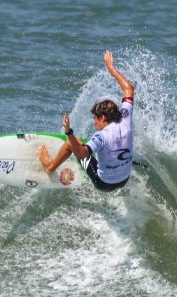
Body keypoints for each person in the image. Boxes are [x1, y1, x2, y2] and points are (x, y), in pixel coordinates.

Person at [38, 50, 135, 192]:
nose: (95, 124)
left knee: (70, 144)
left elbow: (82, 153)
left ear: (102, 118)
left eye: (95, 120)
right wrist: (111, 69)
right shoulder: (125, 117)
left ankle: (50, 166)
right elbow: (129, 88)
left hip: (104, 183)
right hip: (125, 179)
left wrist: (69, 132)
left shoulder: (101, 136)